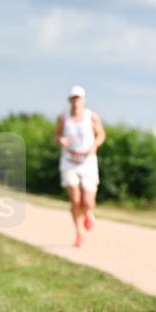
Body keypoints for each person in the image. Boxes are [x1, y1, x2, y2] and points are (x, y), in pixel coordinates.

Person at [55, 85, 105, 248]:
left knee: (88, 201)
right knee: (75, 200)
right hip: (69, 160)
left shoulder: (91, 116)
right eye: (74, 98)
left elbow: (101, 134)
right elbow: (57, 134)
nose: (76, 101)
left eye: (79, 98)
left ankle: (88, 213)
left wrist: (94, 146)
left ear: (83, 100)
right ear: (69, 100)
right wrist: (61, 140)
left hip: (88, 160)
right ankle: (79, 234)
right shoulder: (63, 118)